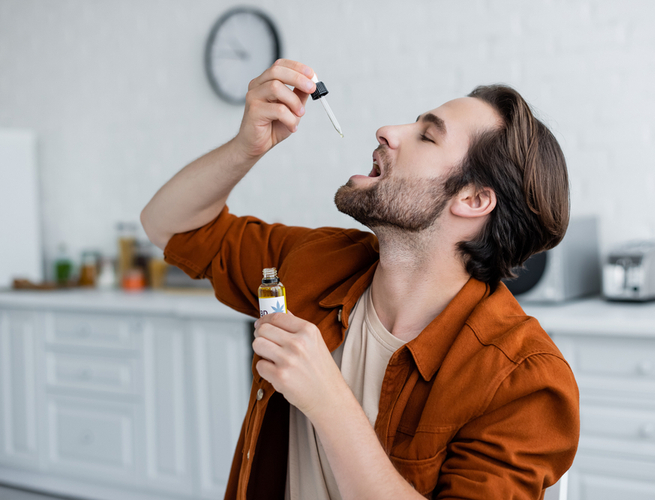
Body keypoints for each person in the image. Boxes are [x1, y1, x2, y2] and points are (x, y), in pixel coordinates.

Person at [141, 59, 579, 500]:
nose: (387, 131)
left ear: (473, 199)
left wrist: (328, 401)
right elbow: (170, 226)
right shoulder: (317, 263)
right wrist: (244, 148)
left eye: (426, 135)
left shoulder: (524, 382)